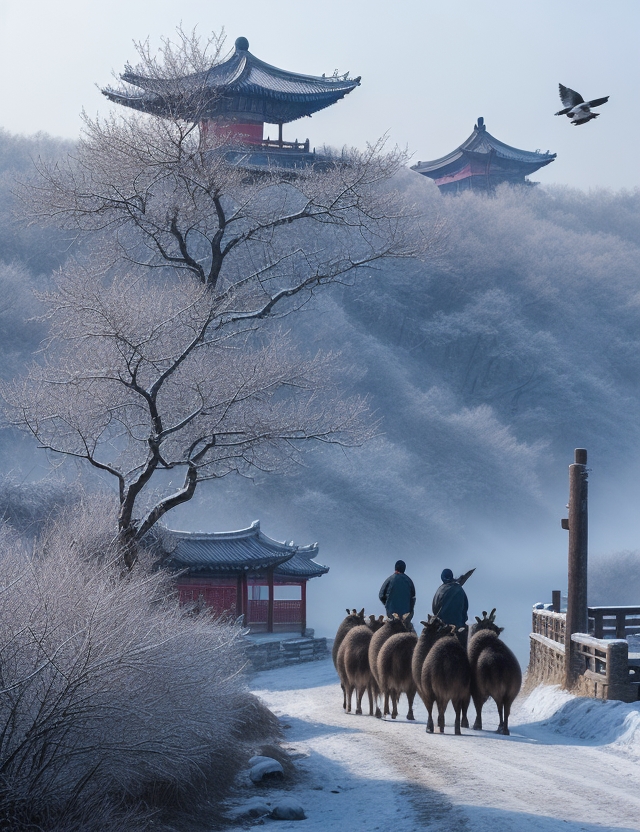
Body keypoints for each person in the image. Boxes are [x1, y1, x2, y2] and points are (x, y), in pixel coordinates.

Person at [432, 568, 469, 647]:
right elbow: (465, 607)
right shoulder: (460, 589)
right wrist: (463, 621)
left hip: (443, 626)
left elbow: (434, 609)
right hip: (459, 625)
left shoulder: (440, 590)